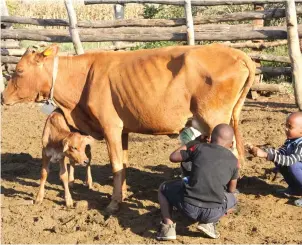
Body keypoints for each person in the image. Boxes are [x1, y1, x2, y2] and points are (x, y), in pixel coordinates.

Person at [157, 124, 239, 240]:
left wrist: (192, 143)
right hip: (213, 212)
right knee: (234, 197)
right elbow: (231, 190)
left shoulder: (199, 148)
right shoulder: (234, 161)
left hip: (188, 208)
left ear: (210, 139)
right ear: (231, 144)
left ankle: (168, 228)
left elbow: (173, 157)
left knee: (163, 188)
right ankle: (210, 223)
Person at [248, 111, 302, 207]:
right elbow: (280, 153)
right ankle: (295, 188)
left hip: (296, 165)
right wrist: (262, 151)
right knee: (280, 161)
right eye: (286, 125)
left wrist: (265, 155)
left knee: (292, 165)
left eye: (290, 127)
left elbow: (290, 160)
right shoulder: (290, 141)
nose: (285, 129)